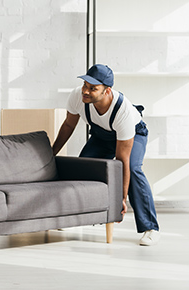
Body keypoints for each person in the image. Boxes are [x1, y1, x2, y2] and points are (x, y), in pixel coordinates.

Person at [52, 64, 160, 246]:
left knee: (133, 169)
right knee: (83, 167)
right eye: (85, 85)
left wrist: (121, 200)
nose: (85, 91)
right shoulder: (78, 96)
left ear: (107, 91)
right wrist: (51, 153)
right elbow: (68, 126)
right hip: (102, 134)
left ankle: (151, 228)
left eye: (92, 88)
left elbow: (122, 161)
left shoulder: (122, 111)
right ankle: (79, 219)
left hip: (134, 133)